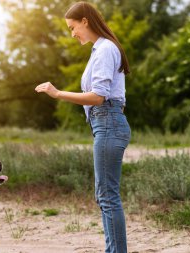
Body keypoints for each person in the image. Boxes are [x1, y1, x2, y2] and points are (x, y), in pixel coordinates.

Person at [35, 2, 131, 253]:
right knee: (105, 196)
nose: (72, 33)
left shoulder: (105, 49)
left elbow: (98, 96)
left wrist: (57, 94)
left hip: (108, 121)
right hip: (105, 123)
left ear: (85, 21)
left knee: (107, 197)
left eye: (72, 27)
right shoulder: (100, 49)